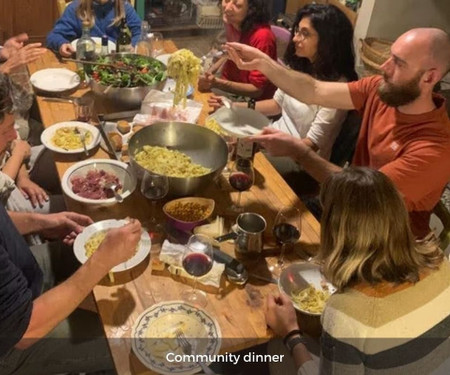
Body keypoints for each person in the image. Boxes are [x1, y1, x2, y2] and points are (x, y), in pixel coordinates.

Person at [225, 28, 450, 238]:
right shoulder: (381, 89)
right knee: (259, 221)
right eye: (389, 56)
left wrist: (298, 152)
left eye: (399, 63)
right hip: (347, 207)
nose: (384, 67)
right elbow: (315, 90)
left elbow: (362, 195)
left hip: (384, 240)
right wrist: (263, 63)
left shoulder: (434, 147)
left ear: (429, 77)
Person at [0, 70, 143, 374]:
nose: (15, 137)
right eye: (8, 127)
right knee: (134, 342)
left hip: (21, 278)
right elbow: (23, 330)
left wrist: (42, 222)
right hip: (12, 343)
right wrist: (102, 261)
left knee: (78, 256)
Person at [266, 167, 450, 375]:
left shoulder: (348, 316)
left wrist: (290, 334)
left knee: (276, 349)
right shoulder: (440, 262)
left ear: (334, 230)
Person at [209, 4, 357, 164]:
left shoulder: (338, 88)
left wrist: (261, 145)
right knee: (220, 138)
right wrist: (232, 106)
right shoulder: (301, 64)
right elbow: (276, 104)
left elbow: (311, 145)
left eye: (305, 34)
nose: (294, 38)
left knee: (235, 160)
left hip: (301, 160)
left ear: (328, 41)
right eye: (297, 31)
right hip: (274, 135)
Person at [198, 0, 277, 100]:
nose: (227, 8)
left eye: (237, 5)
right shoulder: (233, 21)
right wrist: (210, 72)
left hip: (251, 101)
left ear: (251, 10)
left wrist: (216, 83)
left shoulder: (263, 37)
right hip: (227, 84)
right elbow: (229, 53)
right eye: (226, 0)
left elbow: (256, 90)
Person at [46, 0, 142, 57]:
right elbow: (54, 35)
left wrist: (133, 44)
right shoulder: (76, 8)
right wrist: (61, 44)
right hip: (84, 61)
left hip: (115, 61)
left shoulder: (124, 7)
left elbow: (140, 32)